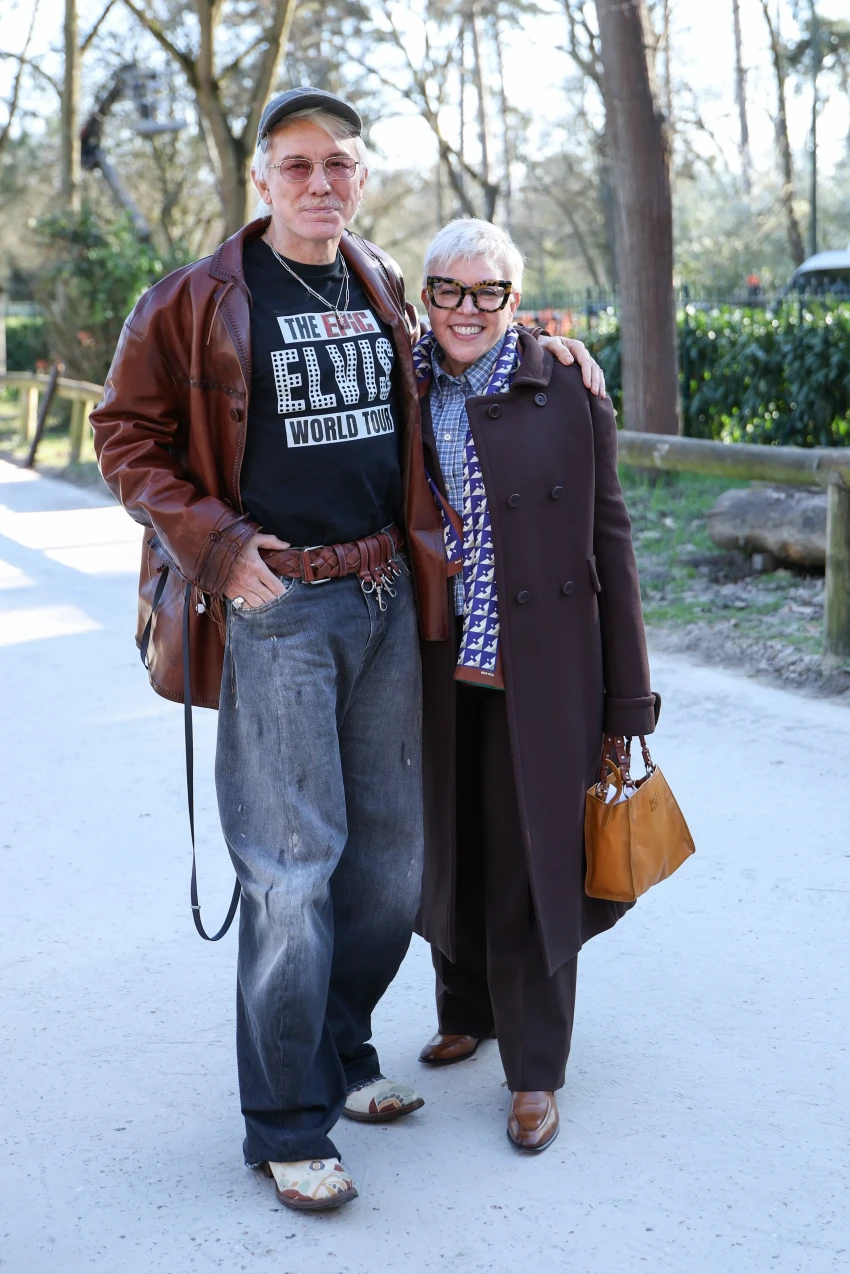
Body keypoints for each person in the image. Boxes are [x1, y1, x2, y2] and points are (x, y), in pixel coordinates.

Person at [90, 90, 605, 1210]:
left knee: (389, 866)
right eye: (297, 164)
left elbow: (465, 345)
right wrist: (217, 544)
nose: (319, 182)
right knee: (292, 870)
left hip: (385, 595)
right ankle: (287, 1120)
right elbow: (123, 435)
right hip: (279, 606)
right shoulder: (196, 298)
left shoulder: (376, 279)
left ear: (361, 180)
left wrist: (553, 349)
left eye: (339, 164)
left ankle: (343, 1050)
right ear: (263, 179)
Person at [414, 219, 659, 1152]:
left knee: (533, 860)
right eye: (448, 289)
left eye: (488, 292)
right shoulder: (403, 383)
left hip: (544, 668)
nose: (466, 309)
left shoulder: (566, 387)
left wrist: (627, 700)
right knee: (451, 844)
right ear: (426, 297)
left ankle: (534, 1071)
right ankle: (466, 1009)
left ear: (515, 301)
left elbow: (611, 543)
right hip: (435, 664)